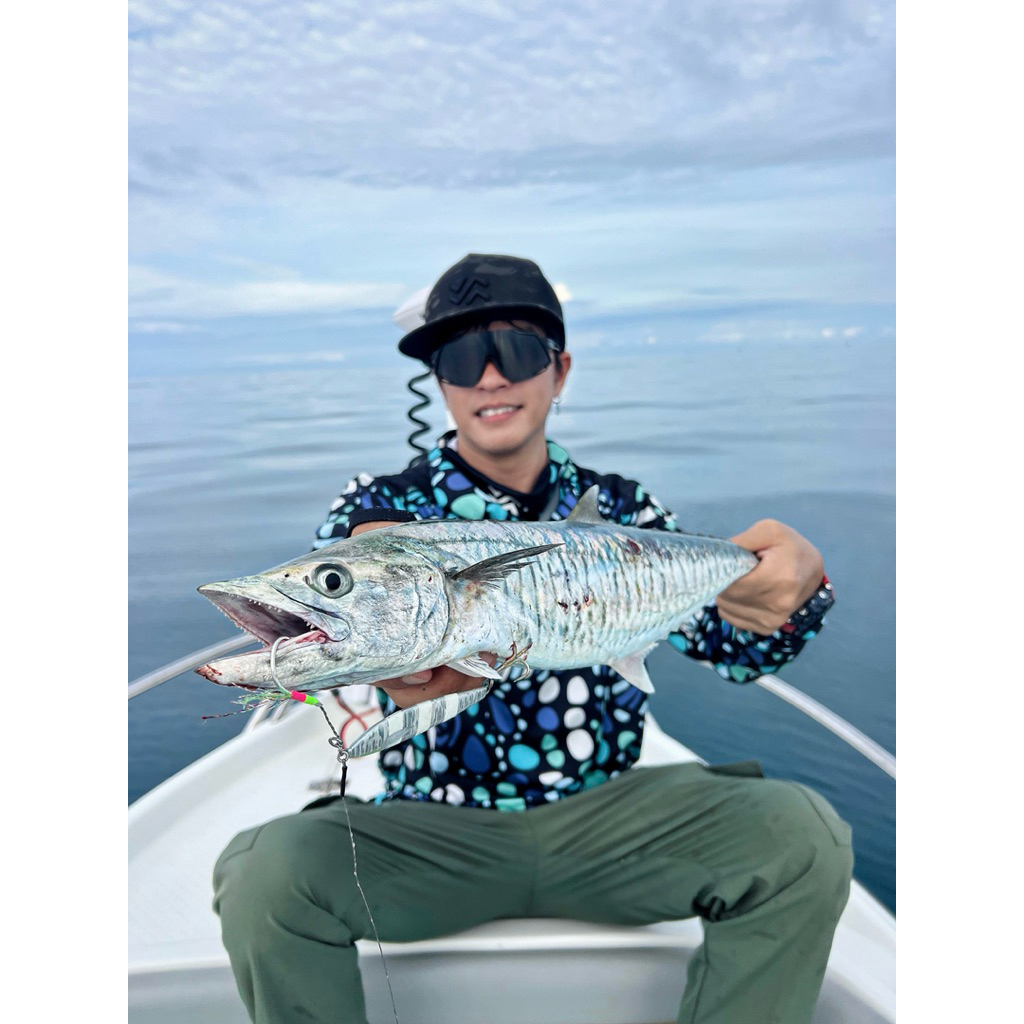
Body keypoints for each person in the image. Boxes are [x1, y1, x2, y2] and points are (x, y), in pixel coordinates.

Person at [213, 253, 853, 1024]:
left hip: (611, 819)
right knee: (263, 874)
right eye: (460, 358)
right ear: (439, 382)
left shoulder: (623, 511)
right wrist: (398, 671)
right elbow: (356, 621)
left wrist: (797, 590)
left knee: (803, 837)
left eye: (515, 351)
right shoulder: (382, 507)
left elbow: (742, 655)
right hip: (434, 829)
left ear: (560, 370)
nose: (489, 378)